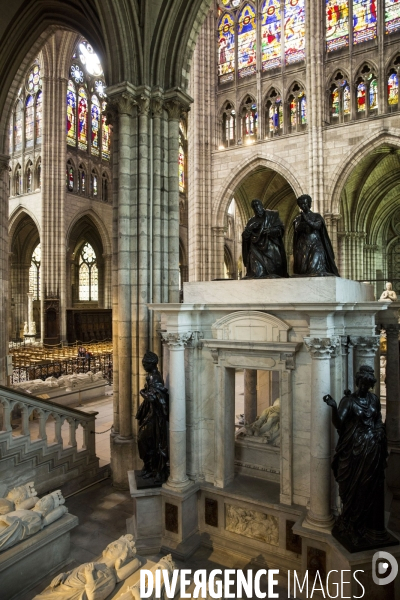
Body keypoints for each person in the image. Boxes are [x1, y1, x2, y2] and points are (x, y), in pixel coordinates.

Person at [323, 365, 393, 550]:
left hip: (372, 450)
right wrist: (333, 407)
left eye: (367, 384)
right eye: (361, 383)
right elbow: (339, 422)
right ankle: (352, 524)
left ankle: (368, 527)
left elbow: (378, 420)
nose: (364, 386)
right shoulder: (349, 401)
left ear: (370, 384)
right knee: (354, 488)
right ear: (357, 382)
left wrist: (378, 431)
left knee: (372, 487)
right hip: (354, 451)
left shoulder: (374, 399)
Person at [34, 535, 140, 600]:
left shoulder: (109, 576)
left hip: (71, 596)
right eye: (113, 544)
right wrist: (64, 575)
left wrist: (89, 576)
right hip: (59, 590)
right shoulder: (96, 563)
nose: (112, 546)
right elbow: (76, 571)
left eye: (117, 547)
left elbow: (93, 597)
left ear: (123, 556)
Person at [136, 351, 169, 483]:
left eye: (145, 363)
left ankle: (154, 469)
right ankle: (149, 468)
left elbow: (155, 397)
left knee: (146, 440)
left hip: (155, 416)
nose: (143, 365)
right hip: (150, 413)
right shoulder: (150, 375)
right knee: (145, 441)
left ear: (151, 364)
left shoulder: (154, 377)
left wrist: (142, 392)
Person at [293, 194, 339, 277]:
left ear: (309, 204)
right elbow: (297, 229)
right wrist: (303, 222)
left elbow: (317, 226)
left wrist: (306, 220)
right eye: (301, 204)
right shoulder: (298, 218)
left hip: (316, 244)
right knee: (303, 269)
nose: (303, 206)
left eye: (305, 203)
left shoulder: (316, 216)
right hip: (303, 245)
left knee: (315, 267)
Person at [242, 199, 288, 278]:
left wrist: (270, 231)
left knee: (274, 271)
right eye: (254, 206)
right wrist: (250, 228)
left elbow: (280, 229)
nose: (256, 208)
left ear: (261, 206)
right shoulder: (251, 221)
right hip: (255, 250)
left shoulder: (272, 215)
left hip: (270, 247)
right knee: (256, 273)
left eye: (258, 205)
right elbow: (245, 236)